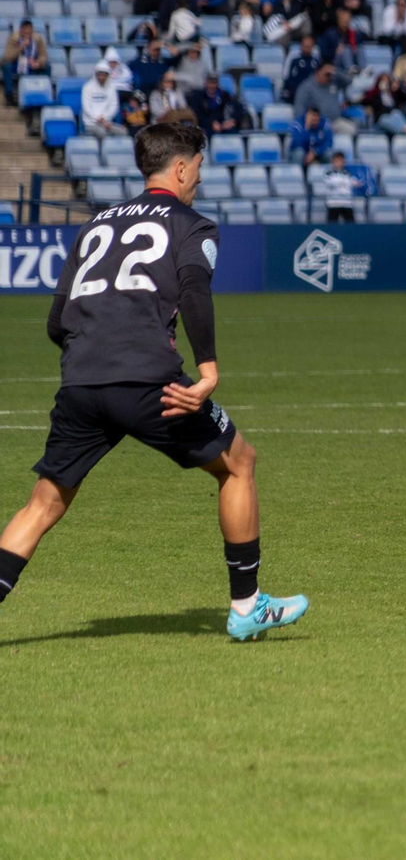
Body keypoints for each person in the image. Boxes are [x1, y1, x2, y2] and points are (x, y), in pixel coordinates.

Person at [0, 124, 308, 641]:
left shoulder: (96, 224)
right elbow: (193, 290)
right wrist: (207, 367)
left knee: (45, 501)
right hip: (150, 384)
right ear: (182, 167)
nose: (199, 180)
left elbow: (57, 322)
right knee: (239, 463)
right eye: (199, 169)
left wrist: (91, 362)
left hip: (80, 383)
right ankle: (247, 605)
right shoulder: (191, 224)